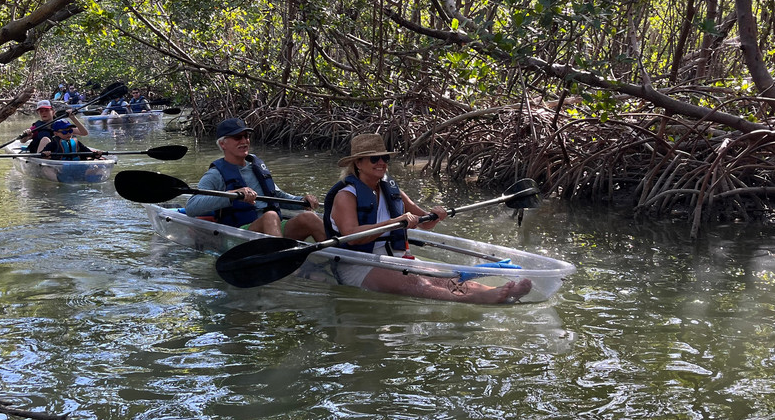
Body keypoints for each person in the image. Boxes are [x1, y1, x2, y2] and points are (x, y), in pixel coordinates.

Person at [323, 134, 532, 303]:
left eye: (385, 158)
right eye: (374, 159)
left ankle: (493, 291)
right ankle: (483, 298)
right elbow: (351, 236)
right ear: (358, 163)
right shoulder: (346, 196)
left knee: (445, 277)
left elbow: (425, 222)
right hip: (358, 264)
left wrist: (436, 215)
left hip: (395, 258)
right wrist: (392, 223)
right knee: (419, 284)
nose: (382, 163)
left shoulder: (391, 190)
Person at [184, 118, 325, 241]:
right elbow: (191, 207)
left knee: (309, 217)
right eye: (237, 137)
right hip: (239, 234)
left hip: (273, 227)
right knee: (270, 216)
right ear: (222, 144)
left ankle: (343, 261)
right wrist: (232, 195)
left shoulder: (256, 167)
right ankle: (282, 266)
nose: (244, 141)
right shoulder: (215, 174)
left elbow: (278, 196)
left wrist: (302, 201)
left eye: (246, 136)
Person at [19, 100, 89, 153]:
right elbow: (23, 141)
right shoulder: (36, 127)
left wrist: (73, 118)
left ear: (53, 111)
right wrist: (26, 135)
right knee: (45, 139)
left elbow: (84, 133)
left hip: (58, 154)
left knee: (73, 139)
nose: (44, 113)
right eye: (41, 111)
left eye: (47, 110)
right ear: (38, 113)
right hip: (43, 156)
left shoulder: (62, 125)